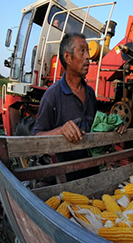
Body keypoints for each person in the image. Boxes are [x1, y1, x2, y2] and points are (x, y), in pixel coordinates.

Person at [32, 33, 125, 181]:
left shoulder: (90, 93)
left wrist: (114, 126)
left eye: (88, 51)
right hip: (65, 177)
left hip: (91, 172)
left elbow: (94, 126)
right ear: (67, 57)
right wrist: (60, 131)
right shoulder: (52, 96)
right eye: (82, 51)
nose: (88, 56)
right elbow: (35, 139)